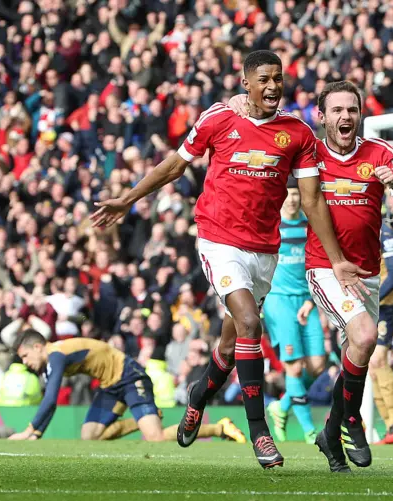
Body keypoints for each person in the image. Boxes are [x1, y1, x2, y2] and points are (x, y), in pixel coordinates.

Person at [91, 51, 368, 468]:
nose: (273, 86)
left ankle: (200, 394)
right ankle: (260, 433)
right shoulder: (219, 118)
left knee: (229, 343)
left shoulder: (297, 134)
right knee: (250, 325)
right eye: (263, 79)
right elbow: (174, 167)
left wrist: (338, 259)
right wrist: (128, 199)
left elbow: (311, 200)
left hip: (264, 251)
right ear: (245, 83)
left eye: (278, 78)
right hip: (218, 241)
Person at [304, 81, 393, 471]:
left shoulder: (381, 153)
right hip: (325, 267)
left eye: (351, 110)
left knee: (357, 352)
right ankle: (351, 422)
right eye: (336, 110)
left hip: (367, 274)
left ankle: (329, 433)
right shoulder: (310, 153)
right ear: (322, 117)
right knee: (365, 337)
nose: (345, 117)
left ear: (360, 115)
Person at [8, 329, 165, 441]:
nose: (25, 362)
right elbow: (51, 404)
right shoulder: (50, 363)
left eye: (25, 356)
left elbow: (50, 400)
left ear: (37, 347)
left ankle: (186, 427)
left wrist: (27, 432)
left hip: (129, 375)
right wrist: (37, 434)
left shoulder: (57, 355)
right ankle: (145, 420)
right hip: (110, 386)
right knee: (89, 435)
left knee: (155, 437)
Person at [264, 177, 326, 444]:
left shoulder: (308, 223)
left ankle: (282, 405)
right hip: (279, 301)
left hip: (306, 299)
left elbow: (317, 260)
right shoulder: (270, 225)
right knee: (295, 369)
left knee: (317, 366)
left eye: (295, 194)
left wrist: (312, 300)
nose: (292, 199)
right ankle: (310, 431)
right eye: (288, 194)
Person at [369, 224, 393, 445]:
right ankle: (390, 428)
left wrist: (373, 298)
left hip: (384, 305)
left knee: (378, 359)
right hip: (364, 305)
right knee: (372, 368)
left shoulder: (385, 232)